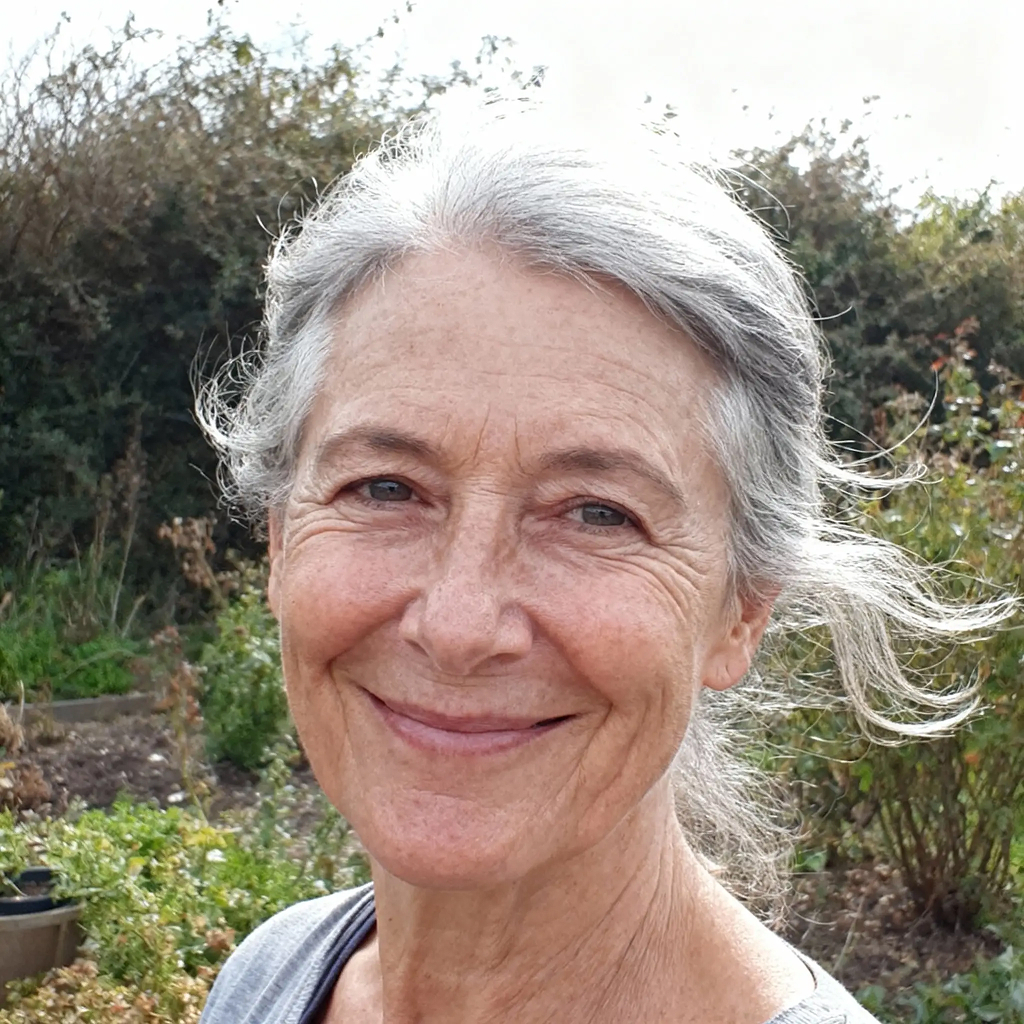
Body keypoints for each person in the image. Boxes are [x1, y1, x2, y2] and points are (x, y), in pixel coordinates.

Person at [196, 105, 1007, 1024]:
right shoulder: (268, 980)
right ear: (277, 539)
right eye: (386, 489)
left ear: (741, 609)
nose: (459, 627)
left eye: (596, 514)